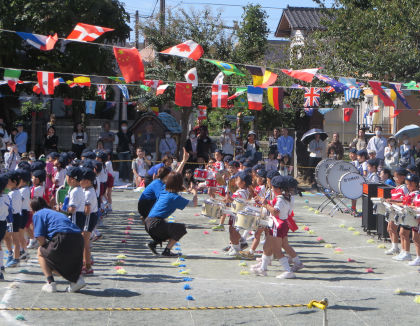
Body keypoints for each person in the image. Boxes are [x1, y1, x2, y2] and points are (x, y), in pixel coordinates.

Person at [31, 197, 85, 293]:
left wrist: (45, 246)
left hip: (62, 237)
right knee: (59, 260)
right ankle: (77, 280)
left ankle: (50, 283)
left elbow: (40, 238)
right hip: (78, 238)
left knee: (41, 252)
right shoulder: (54, 212)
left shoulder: (38, 214)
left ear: (33, 208)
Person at [145, 172, 198, 256]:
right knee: (180, 229)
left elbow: (173, 176)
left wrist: (183, 161)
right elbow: (194, 204)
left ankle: (153, 244)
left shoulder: (164, 190)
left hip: (148, 222)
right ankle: (167, 251)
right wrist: (195, 192)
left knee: (169, 229)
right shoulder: (174, 197)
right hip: (156, 223)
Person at [385, 168, 409, 256]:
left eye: (396, 177)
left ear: (403, 177)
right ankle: (394, 246)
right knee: (389, 228)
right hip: (394, 209)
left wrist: (392, 201)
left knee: (393, 228)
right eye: (394, 177)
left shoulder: (404, 188)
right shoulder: (397, 187)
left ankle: (396, 248)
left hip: (399, 211)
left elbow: (405, 200)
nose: (395, 179)